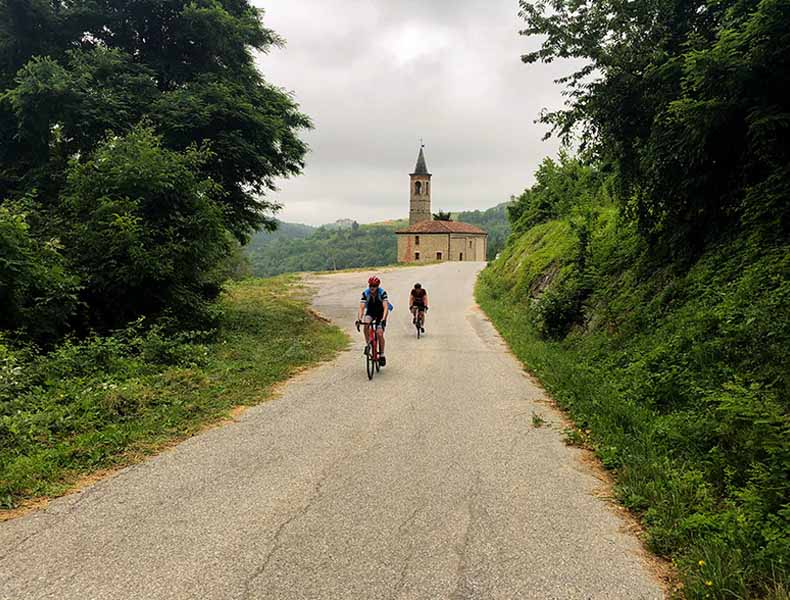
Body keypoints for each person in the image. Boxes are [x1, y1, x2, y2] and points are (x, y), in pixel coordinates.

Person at [357, 276, 389, 366]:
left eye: (374, 286)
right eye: (371, 285)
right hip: (371, 312)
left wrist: (383, 320)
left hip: (380, 313)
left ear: (377, 286)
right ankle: (368, 344)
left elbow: (386, 307)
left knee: (379, 333)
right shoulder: (365, 293)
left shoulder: (382, 293)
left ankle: (382, 354)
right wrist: (359, 319)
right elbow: (361, 308)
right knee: (366, 324)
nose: (372, 288)